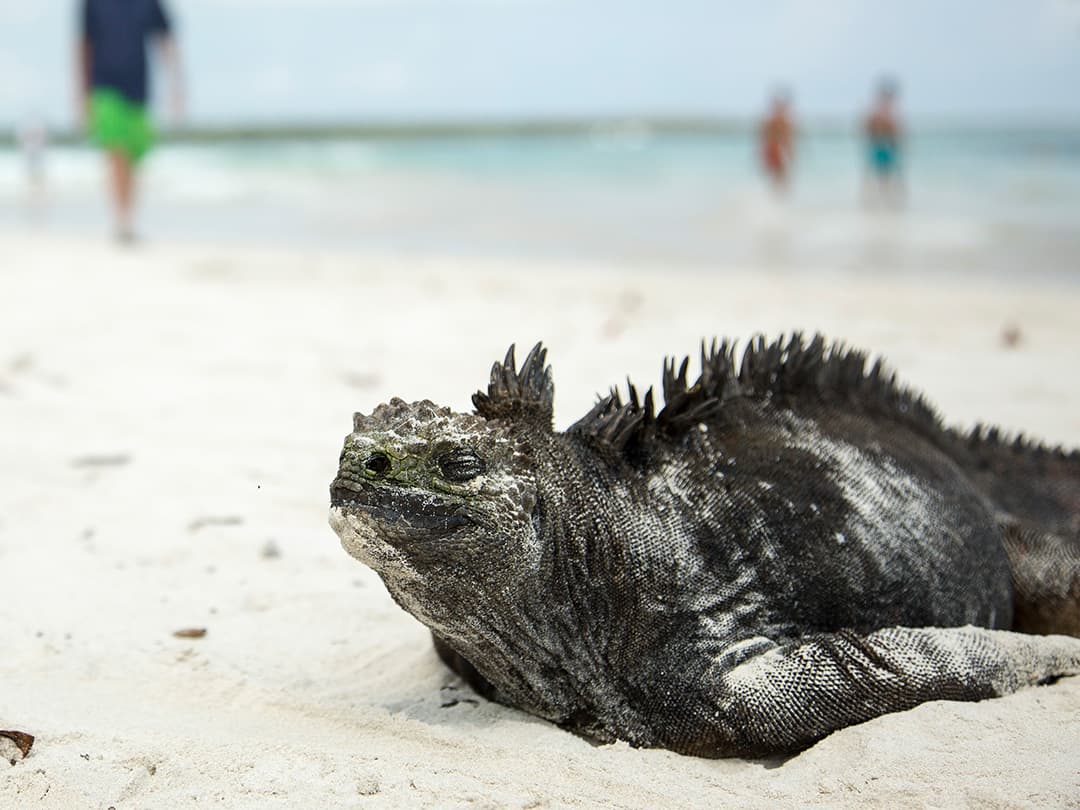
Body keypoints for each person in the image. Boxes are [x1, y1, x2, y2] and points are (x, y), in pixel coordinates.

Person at [77, 0, 183, 242]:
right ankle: (121, 221)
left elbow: (165, 38)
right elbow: (83, 46)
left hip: (138, 89)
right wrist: (81, 96)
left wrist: (176, 84)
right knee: (116, 151)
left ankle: (129, 218)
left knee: (134, 158)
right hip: (103, 87)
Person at [863, 78, 904, 208]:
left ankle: (887, 202)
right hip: (879, 148)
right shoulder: (878, 114)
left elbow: (897, 135)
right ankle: (875, 202)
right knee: (878, 176)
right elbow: (868, 130)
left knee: (887, 177)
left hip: (887, 148)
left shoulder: (889, 114)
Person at [758, 90, 795, 193]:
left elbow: (763, 138)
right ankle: (776, 200)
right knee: (780, 177)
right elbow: (786, 140)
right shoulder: (778, 121)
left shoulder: (772, 120)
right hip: (774, 150)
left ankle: (774, 200)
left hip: (772, 150)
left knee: (777, 177)